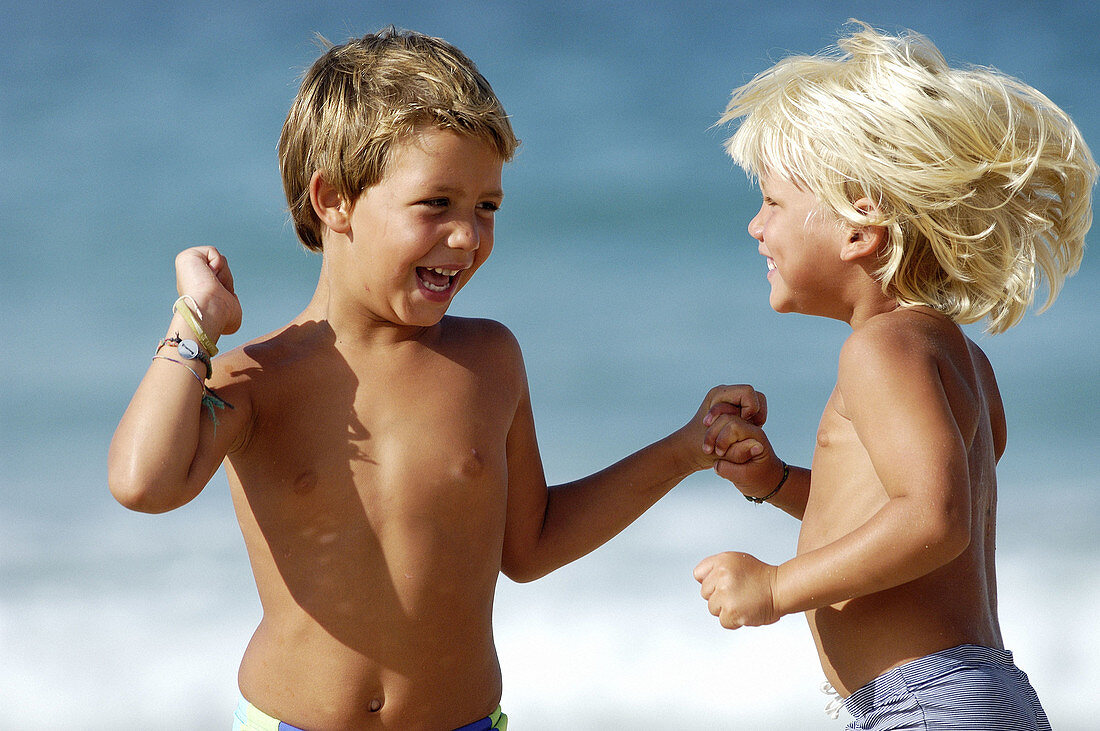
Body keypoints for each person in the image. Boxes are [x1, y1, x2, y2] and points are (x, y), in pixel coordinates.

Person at [107, 27, 764, 731]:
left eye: (487, 207)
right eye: (436, 204)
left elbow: (531, 543)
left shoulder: (487, 361)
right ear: (334, 201)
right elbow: (144, 482)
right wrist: (195, 324)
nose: (468, 236)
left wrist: (683, 450)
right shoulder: (259, 376)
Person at [692, 21, 1095, 730]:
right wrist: (780, 483)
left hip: (929, 704)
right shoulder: (952, 353)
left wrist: (777, 586)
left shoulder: (879, 350)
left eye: (774, 203)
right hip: (968, 691)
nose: (757, 227)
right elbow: (905, 506)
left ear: (858, 226)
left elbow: (935, 522)